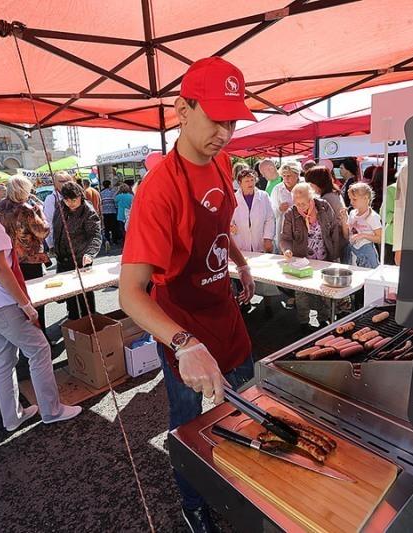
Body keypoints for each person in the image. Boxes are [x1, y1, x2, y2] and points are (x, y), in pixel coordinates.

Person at [119, 56, 257, 532]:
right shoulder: (158, 190)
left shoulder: (223, 161)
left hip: (225, 312)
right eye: (216, 118)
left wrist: (240, 263)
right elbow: (130, 294)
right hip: (181, 323)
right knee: (187, 420)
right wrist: (183, 344)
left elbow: (219, 227)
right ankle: (193, 501)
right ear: (182, 109)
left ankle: (242, 485)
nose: (225, 132)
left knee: (248, 402)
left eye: (233, 121)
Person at [0, 163, 81, 431]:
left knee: (4, 358)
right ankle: (51, 410)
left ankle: (12, 416)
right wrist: (26, 305)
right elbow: (0, 268)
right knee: (39, 349)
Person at [280, 183, 340, 333]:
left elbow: (334, 229)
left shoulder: (324, 207)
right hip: (302, 260)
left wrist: (335, 255)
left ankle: (323, 319)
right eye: (297, 203)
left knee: (323, 291)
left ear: (311, 198)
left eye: (303, 203)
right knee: (302, 292)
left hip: (324, 258)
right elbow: (285, 238)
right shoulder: (290, 214)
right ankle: (304, 322)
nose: (300, 206)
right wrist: (287, 250)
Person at [0, 176, 51, 331]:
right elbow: (42, 232)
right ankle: (40, 334)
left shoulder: (1, 206)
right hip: (29, 258)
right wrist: (41, 213)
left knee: (18, 299)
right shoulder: (26, 209)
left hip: (9, 257)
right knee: (36, 300)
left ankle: (26, 334)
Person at [230, 167, 277, 317]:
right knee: (241, 273)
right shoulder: (233, 198)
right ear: (239, 183)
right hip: (241, 241)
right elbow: (227, 218)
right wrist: (230, 226)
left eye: (252, 180)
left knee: (265, 275)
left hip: (259, 240)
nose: (250, 183)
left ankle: (268, 304)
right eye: (246, 181)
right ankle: (245, 301)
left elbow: (270, 218)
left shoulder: (263, 196)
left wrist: (268, 238)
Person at [53, 181, 102, 321]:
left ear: (80, 196)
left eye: (73, 200)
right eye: (67, 200)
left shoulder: (88, 211)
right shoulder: (61, 207)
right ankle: (73, 320)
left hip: (81, 258)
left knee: (84, 295)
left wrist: (90, 253)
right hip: (63, 258)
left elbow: (95, 235)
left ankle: (90, 320)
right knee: (69, 294)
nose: (70, 203)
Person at [345, 182, 382, 268]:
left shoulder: (373, 217)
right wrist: (344, 220)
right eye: (350, 199)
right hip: (353, 251)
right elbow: (347, 234)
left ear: (365, 198)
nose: (351, 202)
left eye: (354, 199)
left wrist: (363, 235)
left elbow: (380, 239)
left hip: (367, 253)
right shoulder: (352, 213)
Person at [270, 160, 301, 251]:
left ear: (297, 175)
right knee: (284, 251)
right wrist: (279, 209)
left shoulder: (303, 187)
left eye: (289, 176)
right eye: (284, 176)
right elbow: (271, 213)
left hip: (301, 227)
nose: (286, 178)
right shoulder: (277, 189)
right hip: (283, 227)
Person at [43, 171, 75, 249]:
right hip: (61, 243)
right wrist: (51, 245)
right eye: (61, 181)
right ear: (55, 183)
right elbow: (49, 222)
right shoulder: (51, 199)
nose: (65, 183)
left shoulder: (75, 196)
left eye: (67, 180)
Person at [100, 180, 118, 245]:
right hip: (112, 211)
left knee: (106, 227)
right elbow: (115, 201)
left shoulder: (101, 193)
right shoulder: (113, 192)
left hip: (105, 212)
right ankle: (114, 240)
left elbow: (101, 203)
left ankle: (107, 240)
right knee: (114, 227)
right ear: (109, 185)